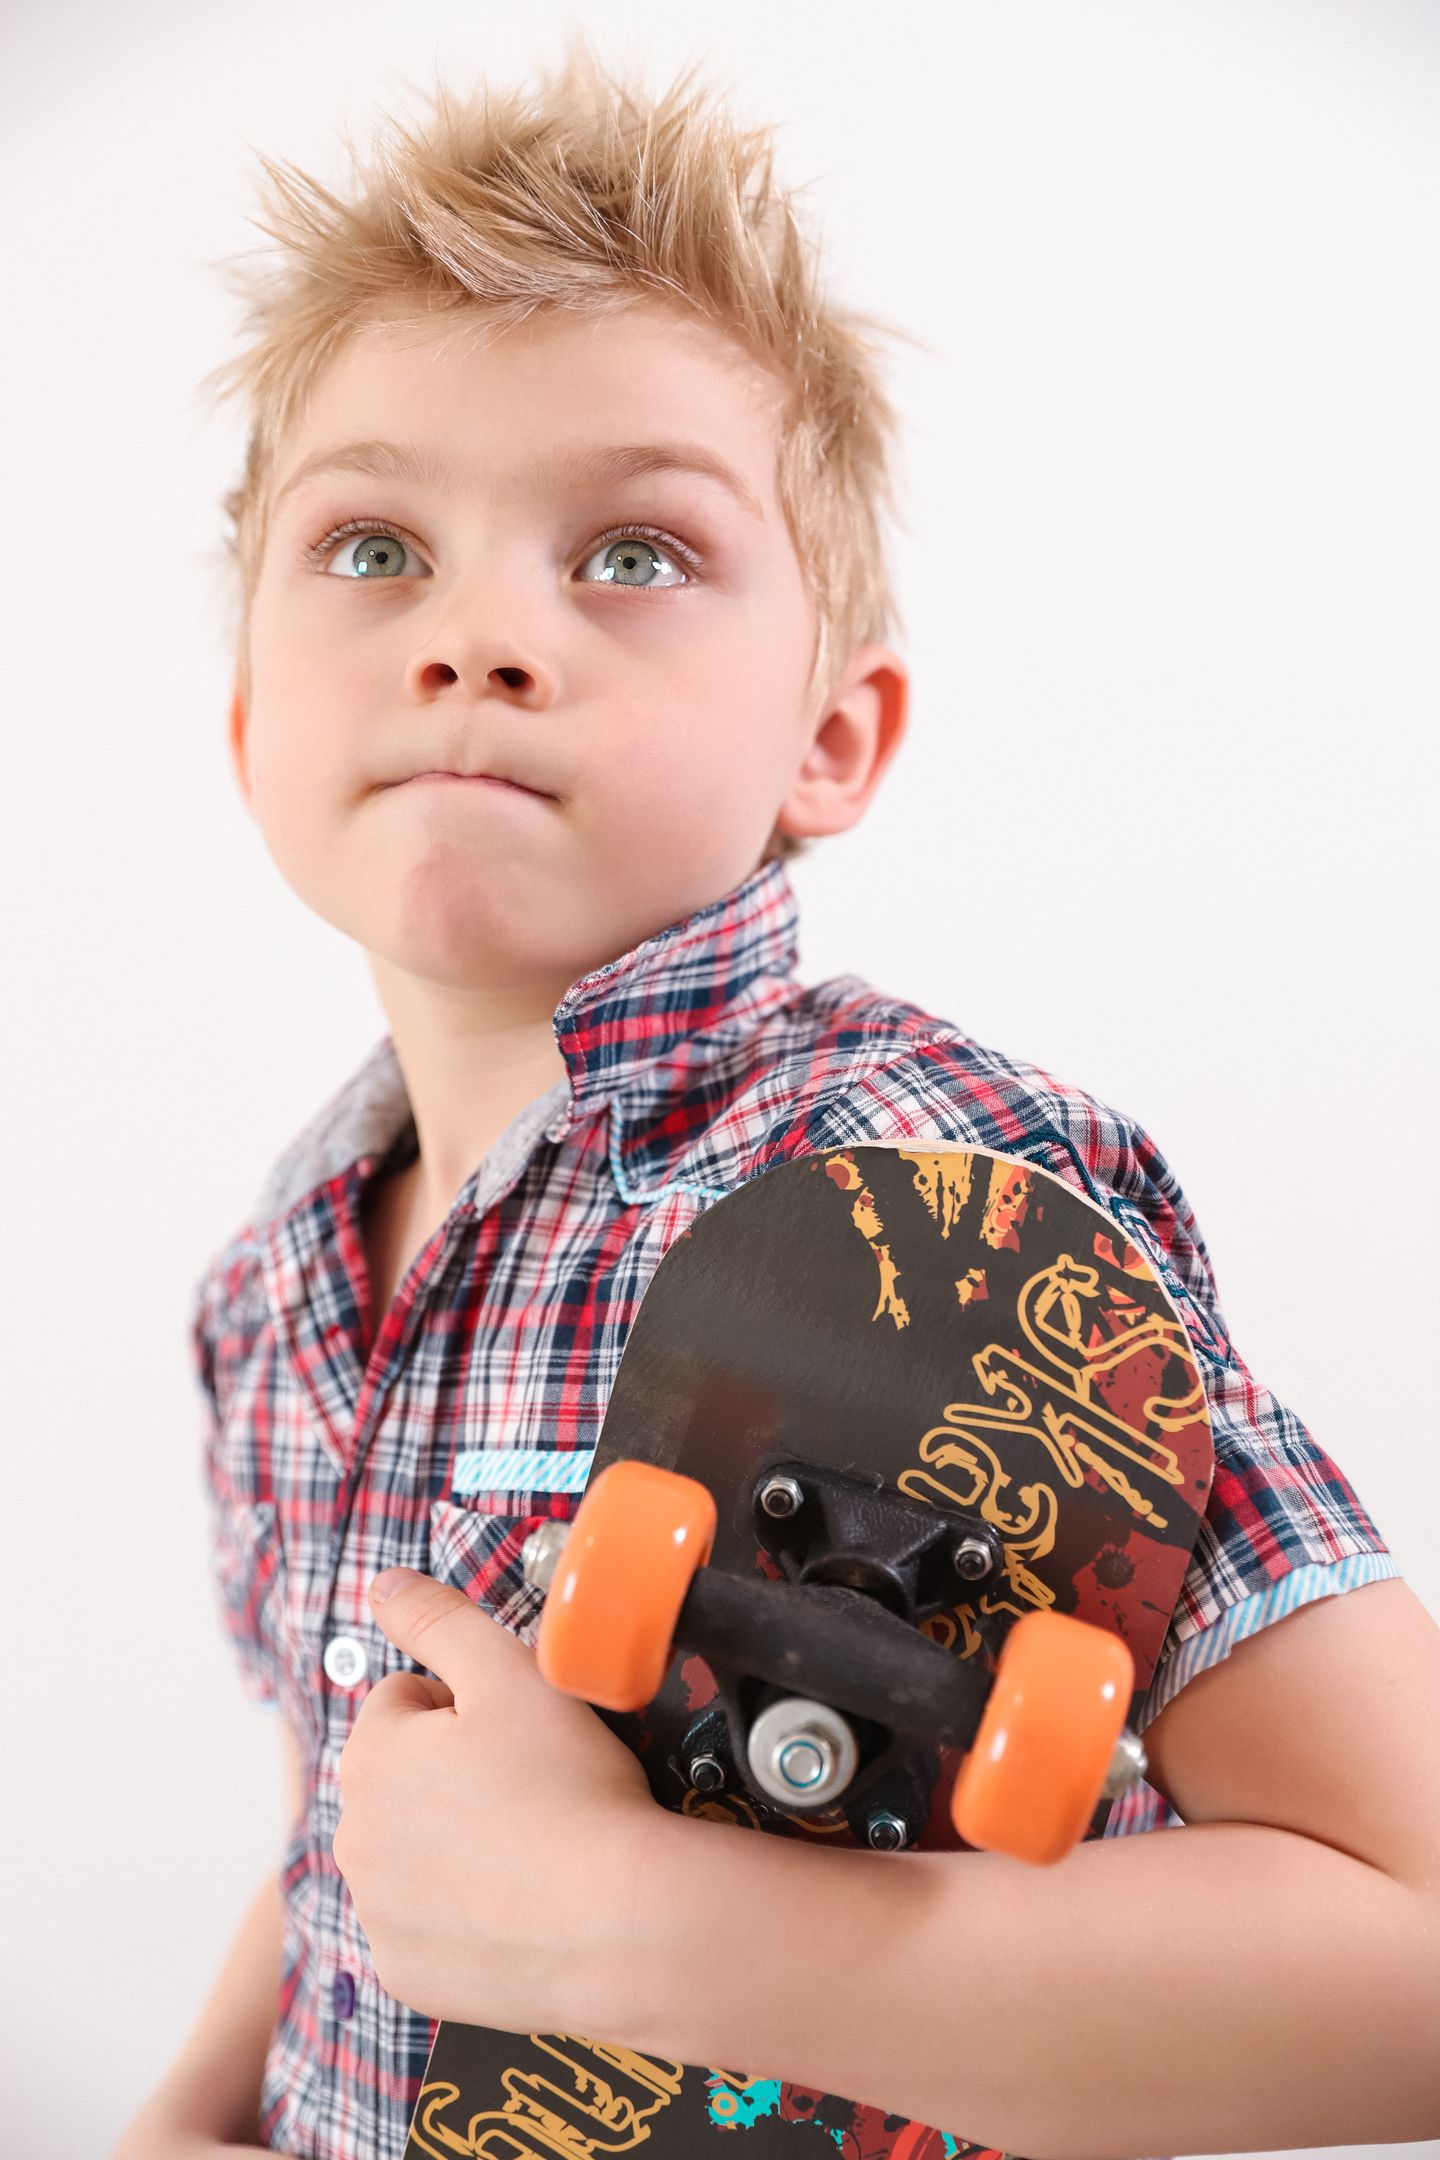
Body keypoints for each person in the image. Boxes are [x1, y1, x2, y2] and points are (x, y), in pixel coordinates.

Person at [113, 33, 1440, 2160]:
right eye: (371, 545)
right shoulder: (271, 1285)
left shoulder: (937, 1198)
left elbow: (1413, 1952)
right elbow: (354, 1817)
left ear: (833, 736)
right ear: (253, 713)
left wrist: (649, 1929)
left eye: (635, 553)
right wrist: (188, 2113)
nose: (478, 634)